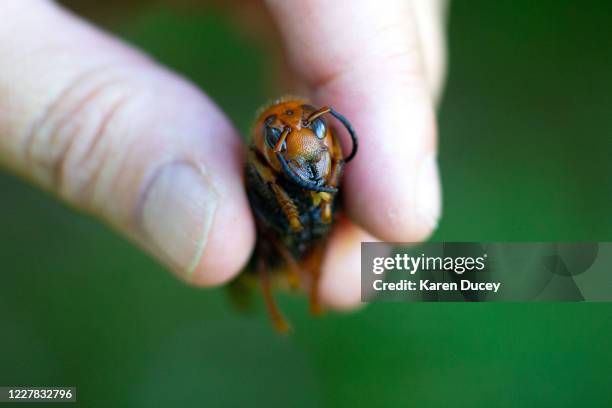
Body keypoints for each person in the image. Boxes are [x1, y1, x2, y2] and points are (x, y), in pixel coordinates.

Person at [0, 0, 446, 309]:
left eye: (315, 128)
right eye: (284, 134)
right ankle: (265, 287)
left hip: (305, 234)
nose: (302, 136)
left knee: (329, 241)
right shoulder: (269, 167)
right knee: (263, 248)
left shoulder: (315, 148)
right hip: (268, 248)